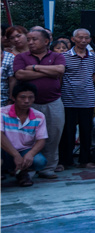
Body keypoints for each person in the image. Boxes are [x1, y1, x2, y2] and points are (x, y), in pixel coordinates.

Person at [12, 27, 65, 177]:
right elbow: (20, 74)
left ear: (46, 41)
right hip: (28, 104)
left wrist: (35, 68)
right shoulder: (21, 57)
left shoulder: (56, 56)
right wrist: (49, 71)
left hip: (54, 102)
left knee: (54, 135)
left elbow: (60, 70)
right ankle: (29, 169)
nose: (30, 42)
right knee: (28, 137)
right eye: (28, 39)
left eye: (34, 39)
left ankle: (48, 168)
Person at [2, 82, 49, 186]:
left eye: (30, 97)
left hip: (24, 150)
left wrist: (30, 154)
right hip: (4, 150)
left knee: (39, 161)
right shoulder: (2, 113)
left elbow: (41, 140)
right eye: (22, 97)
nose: (27, 101)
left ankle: (22, 173)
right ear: (14, 98)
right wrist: (15, 155)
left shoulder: (39, 116)